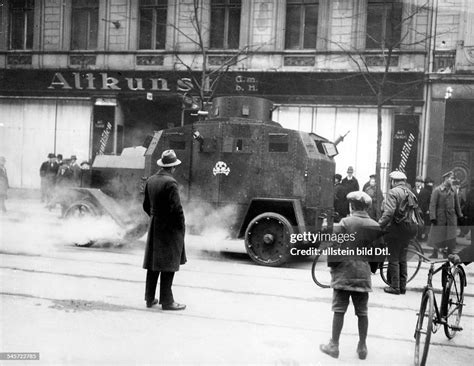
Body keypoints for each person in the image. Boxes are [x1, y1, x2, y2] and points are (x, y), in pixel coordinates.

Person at [320, 191, 382, 360]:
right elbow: (379, 253)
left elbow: (333, 246)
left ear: (352, 206)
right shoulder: (375, 225)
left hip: (344, 272)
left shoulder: (345, 222)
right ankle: (362, 346)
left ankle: (334, 345)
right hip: (363, 273)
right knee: (362, 312)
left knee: (339, 309)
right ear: (366, 207)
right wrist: (372, 269)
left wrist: (332, 267)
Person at [143, 149, 187, 311]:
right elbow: (177, 209)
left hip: (155, 226)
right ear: (173, 167)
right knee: (169, 264)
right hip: (169, 229)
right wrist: (181, 227)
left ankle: (149, 298)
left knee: (153, 263)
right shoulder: (171, 183)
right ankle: (167, 302)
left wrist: (155, 218)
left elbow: (146, 206)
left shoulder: (151, 180)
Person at [378, 171, 418, 295]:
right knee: (402, 258)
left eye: (391, 181)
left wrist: (379, 225)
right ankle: (402, 286)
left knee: (393, 258)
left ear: (394, 181)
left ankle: (395, 287)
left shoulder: (393, 192)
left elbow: (389, 212)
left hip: (396, 229)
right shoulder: (410, 193)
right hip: (409, 229)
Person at [428, 171, 463, 259]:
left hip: (451, 217)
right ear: (446, 179)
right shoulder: (437, 190)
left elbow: (457, 204)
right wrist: (433, 217)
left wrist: (460, 215)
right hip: (440, 216)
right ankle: (435, 252)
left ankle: (449, 253)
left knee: (450, 235)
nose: (452, 180)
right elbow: (433, 204)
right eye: (451, 178)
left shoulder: (453, 189)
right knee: (438, 235)